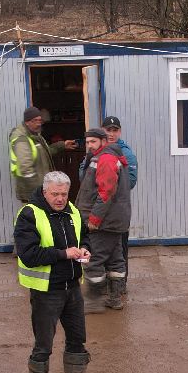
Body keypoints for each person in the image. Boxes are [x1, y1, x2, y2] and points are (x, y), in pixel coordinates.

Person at [14, 171, 104, 373]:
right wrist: (64, 253)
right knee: (43, 345)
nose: (60, 199)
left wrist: (84, 249)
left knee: (77, 339)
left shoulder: (72, 211)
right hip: (46, 291)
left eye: (64, 194)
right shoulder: (29, 214)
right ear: (45, 192)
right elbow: (29, 255)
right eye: (55, 194)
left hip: (72, 288)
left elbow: (84, 236)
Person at [76, 127, 131, 310]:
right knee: (115, 260)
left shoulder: (105, 158)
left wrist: (94, 219)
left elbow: (105, 193)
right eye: (87, 142)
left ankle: (94, 301)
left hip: (104, 222)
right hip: (114, 221)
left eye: (93, 142)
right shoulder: (107, 157)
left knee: (93, 259)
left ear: (103, 141)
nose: (89, 146)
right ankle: (114, 298)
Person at [9, 107, 77, 205]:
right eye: (34, 120)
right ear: (27, 122)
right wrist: (40, 192)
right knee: (34, 218)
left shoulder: (36, 136)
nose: (38, 123)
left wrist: (62, 145)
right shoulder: (22, 139)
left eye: (40, 120)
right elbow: (25, 169)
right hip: (32, 194)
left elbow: (45, 153)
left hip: (41, 190)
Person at [102, 114, 138, 296]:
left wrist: (108, 186)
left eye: (115, 130)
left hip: (118, 211)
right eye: (108, 130)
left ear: (120, 132)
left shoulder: (127, 153)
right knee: (100, 248)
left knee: (120, 248)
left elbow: (131, 181)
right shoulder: (94, 151)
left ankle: (120, 284)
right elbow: (83, 175)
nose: (111, 133)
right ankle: (104, 284)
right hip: (99, 211)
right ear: (103, 130)